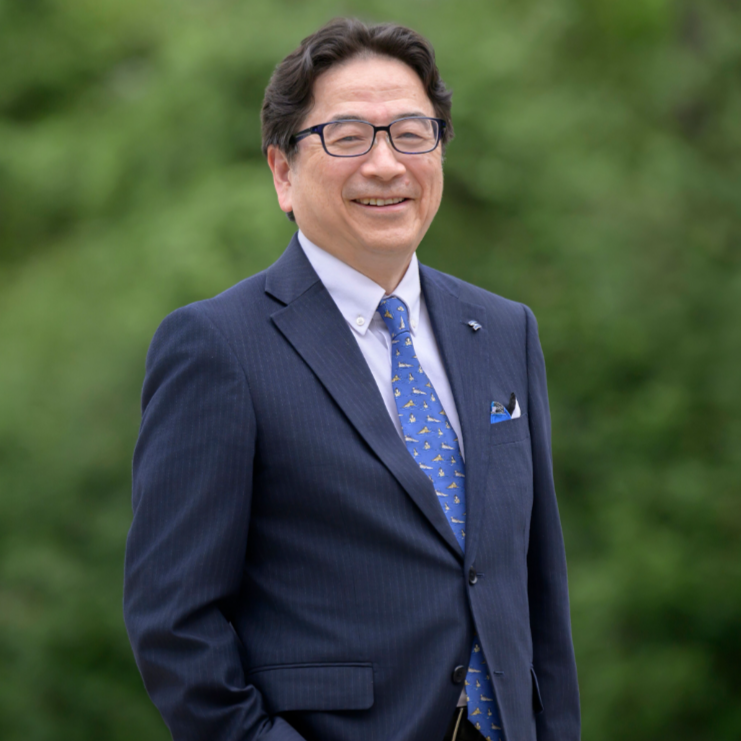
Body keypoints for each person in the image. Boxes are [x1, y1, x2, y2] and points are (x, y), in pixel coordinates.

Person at [124, 17, 580, 741]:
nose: (386, 164)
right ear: (282, 172)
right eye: (348, 137)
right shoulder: (217, 346)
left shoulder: (503, 330)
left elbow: (536, 586)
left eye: (412, 133)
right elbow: (173, 623)